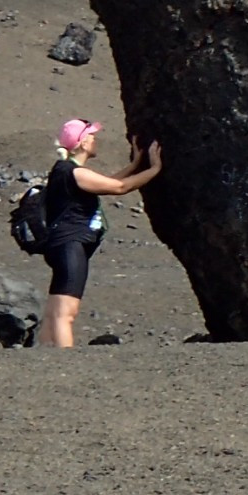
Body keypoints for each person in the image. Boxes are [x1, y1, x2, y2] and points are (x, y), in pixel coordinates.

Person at [39, 117, 162, 347]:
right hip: (70, 245)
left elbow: (105, 182)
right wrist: (155, 169)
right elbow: (120, 187)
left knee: (54, 312)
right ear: (83, 142)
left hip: (61, 245)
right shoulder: (74, 173)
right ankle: (66, 362)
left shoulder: (66, 171)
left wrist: (135, 166)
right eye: (92, 136)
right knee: (66, 313)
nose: (96, 140)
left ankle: (44, 357)